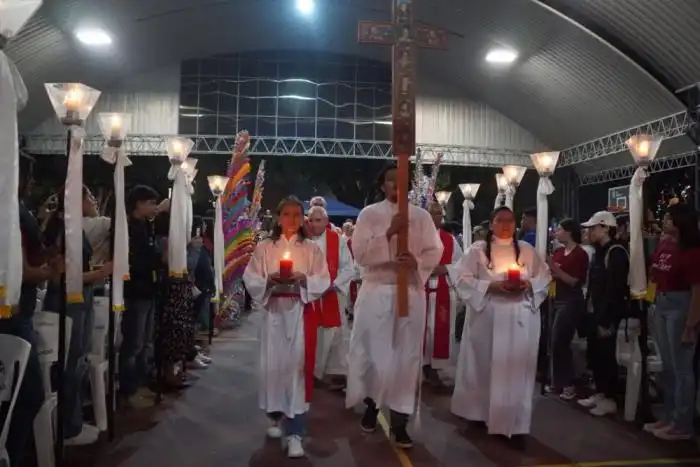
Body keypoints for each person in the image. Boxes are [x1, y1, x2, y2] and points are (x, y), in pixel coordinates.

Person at [345, 164, 443, 449]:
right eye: (390, 181)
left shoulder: (422, 216)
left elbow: (434, 250)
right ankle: (372, 407)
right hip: (376, 291)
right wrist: (388, 234)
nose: (396, 186)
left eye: (400, 181)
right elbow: (360, 253)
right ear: (382, 185)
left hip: (409, 292)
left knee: (406, 357)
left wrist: (417, 263)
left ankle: (400, 422)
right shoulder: (369, 214)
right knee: (375, 356)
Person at [449, 206, 550, 442]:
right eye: (500, 220)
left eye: (510, 221)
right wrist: (490, 286)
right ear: (491, 224)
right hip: (488, 318)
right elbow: (462, 278)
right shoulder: (478, 250)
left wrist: (529, 285)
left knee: (515, 370)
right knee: (485, 367)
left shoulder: (525, 250)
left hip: (520, 318)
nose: (505, 225)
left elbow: (544, 277)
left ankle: (513, 422)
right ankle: (479, 412)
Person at [243, 196, 330, 458]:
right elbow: (251, 277)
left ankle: (295, 432)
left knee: (295, 370)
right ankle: (275, 416)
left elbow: (322, 278)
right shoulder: (265, 247)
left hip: (298, 315)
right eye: (286, 214)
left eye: (296, 215)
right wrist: (268, 281)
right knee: (273, 368)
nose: (292, 220)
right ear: (278, 218)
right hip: (273, 316)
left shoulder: (312, 249)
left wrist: (304, 279)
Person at [42, 185, 114, 445]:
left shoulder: (73, 227)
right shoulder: (64, 228)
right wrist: (98, 274)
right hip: (69, 302)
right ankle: (68, 428)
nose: (94, 201)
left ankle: (72, 422)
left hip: (79, 299)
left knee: (78, 361)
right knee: (70, 363)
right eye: (90, 197)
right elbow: (62, 275)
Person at [0, 155, 55, 466]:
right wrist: (53, 270)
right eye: (28, 176)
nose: (31, 183)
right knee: (28, 392)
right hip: (14, 314)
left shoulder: (17, 211)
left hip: (16, 311)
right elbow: (20, 270)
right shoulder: (12, 212)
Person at [644, 204, 700, 440]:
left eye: (669, 218)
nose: (664, 221)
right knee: (667, 367)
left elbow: (697, 291)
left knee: (682, 368)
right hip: (662, 302)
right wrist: (649, 296)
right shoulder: (665, 245)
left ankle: (683, 422)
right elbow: (655, 271)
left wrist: (691, 324)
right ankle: (668, 416)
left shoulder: (693, 251)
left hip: (681, 304)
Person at [578, 211, 629, 416]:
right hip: (594, 313)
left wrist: (607, 320)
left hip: (606, 315)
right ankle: (600, 392)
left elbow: (615, 290)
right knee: (596, 355)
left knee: (607, 357)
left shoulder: (616, 252)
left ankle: (610, 398)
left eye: (593, 228)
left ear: (606, 228)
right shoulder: (599, 252)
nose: (589, 232)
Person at [121, 185, 166, 408]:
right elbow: (136, 262)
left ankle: (142, 385)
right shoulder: (128, 229)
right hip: (135, 291)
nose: (154, 207)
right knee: (134, 343)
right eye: (150, 203)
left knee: (146, 342)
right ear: (139, 204)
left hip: (148, 290)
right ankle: (129, 390)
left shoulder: (146, 228)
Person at [307, 206, 355, 390]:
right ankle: (311, 371)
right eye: (311, 220)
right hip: (309, 297)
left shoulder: (338, 240)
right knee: (312, 334)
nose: (314, 224)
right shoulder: (302, 239)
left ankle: (334, 373)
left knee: (334, 335)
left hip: (331, 295)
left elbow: (348, 268)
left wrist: (333, 285)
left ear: (326, 222)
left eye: (318, 220)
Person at [545, 219, 589, 400]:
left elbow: (573, 281)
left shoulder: (580, 254)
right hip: (555, 299)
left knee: (560, 341)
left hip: (571, 301)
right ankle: (558, 382)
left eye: (560, 229)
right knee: (554, 342)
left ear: (569, 232)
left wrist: (554, 268)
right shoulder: (558, 252)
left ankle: (568, 383)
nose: (556, 232)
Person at [423, 202, 463, 386]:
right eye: (433, 213)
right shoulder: (414, 238)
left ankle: (434, 369)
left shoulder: (450, 240)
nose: (437, 216)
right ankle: (421, 366)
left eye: (439, 213)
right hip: (420, 291)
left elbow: (461, 265)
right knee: (421, 330)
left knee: (439, 329)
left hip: (442, 291)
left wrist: (445, 268)